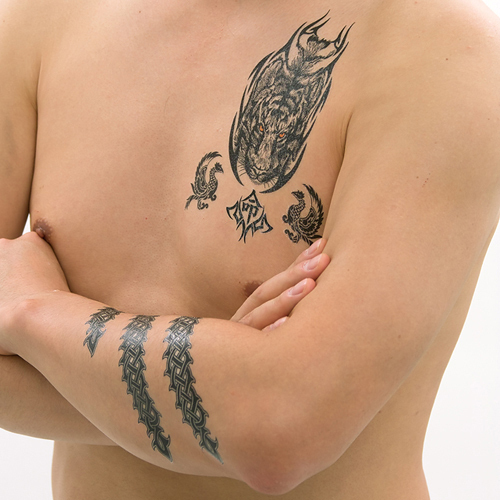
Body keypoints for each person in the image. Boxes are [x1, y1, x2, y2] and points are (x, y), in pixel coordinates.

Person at [1, 0, 500, 498]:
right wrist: (228, 397)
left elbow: (284, 426)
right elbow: (261, 422)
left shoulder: (444, 55)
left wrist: (32, 311)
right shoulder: (39, 15)